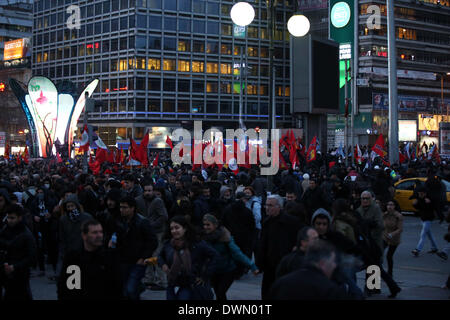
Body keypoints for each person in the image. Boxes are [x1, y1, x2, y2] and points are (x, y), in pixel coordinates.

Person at [57, 219, 123, 300]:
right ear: (84, 235)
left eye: (101, 232)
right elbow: (67, 287)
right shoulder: (74, 258)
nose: (99, 235)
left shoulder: (108, 257)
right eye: (94, 232)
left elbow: (117, 287)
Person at [158, 215, 219, 300]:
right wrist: (163, 265)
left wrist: (204, 276)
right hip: (172, 283)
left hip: (190, 284)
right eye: (172, 228)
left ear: (185, 229)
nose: (174, 231)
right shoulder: (169, 244)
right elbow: (160, 256)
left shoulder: (197, 244)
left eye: (177, 228)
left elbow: (215, 256)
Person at [269, 240, 354, 300]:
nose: (334, 265)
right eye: (332, 261)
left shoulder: (281, 283)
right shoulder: (330, 290)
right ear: (322, 263)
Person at [201, 214, 259, 300]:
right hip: (214, 271)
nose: (205, 227)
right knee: (218, 293)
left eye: (208, 224)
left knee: (220, 293)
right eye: (204, 224)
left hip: (228, 270)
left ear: (215, 225)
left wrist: (252, 265)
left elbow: (237, 253)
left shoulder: (225, 237)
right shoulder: (204, 238)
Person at [256, 195, 302, 300]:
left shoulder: (291, 222)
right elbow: (263, 244)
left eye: (270, 205)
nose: (267, 208)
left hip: (285, 265)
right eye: (266, 205)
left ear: (279, 207)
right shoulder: (266, 222)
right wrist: (259, 263)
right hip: (269, 267)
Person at [114, 195, 158, 300]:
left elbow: (153, 241)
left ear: (132, 208)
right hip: (123, 260)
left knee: (130, 289)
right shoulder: (120, 221)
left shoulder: (142, 222)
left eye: (125, 207)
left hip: (138, 261)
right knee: (126, 289)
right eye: (120, 207)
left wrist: (143, 257)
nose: (122, 210)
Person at [135, 181, 168, 290]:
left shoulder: (157, 201)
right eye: (146, 191)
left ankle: (162, 281)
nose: (148, 193)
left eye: (150, 190)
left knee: (157, 256)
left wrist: (151, 225)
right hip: (145, 233)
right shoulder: (138, 200)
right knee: (148, 256)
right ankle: (149, 279)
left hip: (157, 232)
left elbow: (163, 216)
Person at [0, 204, 36, 300]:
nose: (10, 220)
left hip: (20, 274)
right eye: (8, 218)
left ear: (20, 218)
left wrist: (14, 267)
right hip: (5, 273)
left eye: (12, 218)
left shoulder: (26, 235)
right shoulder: (5, 230)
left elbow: (32, 257)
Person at [57, 195, 93, 278]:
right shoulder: (63, 219)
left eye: (72, 206)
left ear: (77, 205)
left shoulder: (87, 217)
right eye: (68, 206)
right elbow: (62, 238)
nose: (70, 209)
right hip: (71, 254)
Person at [411, 186, 447, 260]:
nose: (420, 195)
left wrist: (429, 203)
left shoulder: (430, 198)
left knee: (423, 234)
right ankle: (434, 248)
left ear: (425, 193)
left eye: (421, 194)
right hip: (423, 218)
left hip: (428, 218)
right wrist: (415, 204)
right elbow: (419, 208)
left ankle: (417, 249)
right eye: (419, 194)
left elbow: (435, 207)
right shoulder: (419, 199)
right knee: (429, 234)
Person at [383, 200, 403, 278]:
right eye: (388, 205)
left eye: (391, 205)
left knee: (389, 256)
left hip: (394, 238)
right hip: (385, 237)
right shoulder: (384, 215)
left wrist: (392, 234)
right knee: (379, 253)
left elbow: (400, 229)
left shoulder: (398, 216)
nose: (389, 207)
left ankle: (390, 273)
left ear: (395, 206)